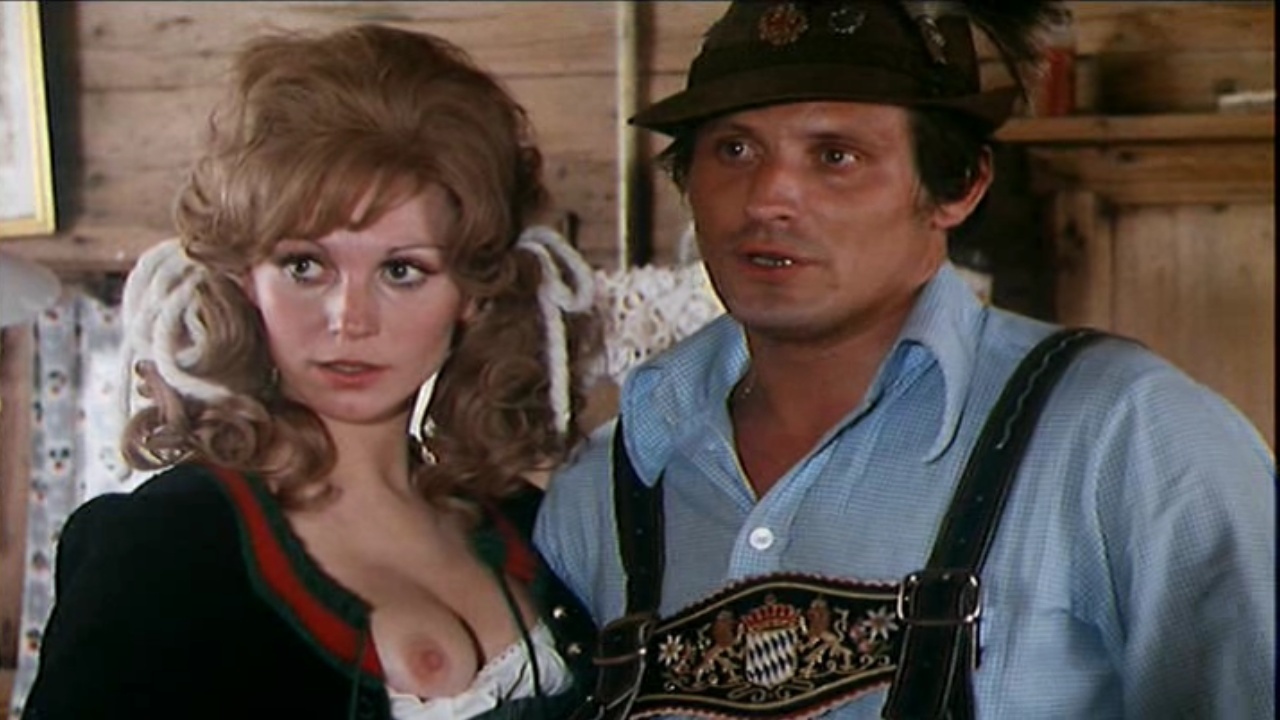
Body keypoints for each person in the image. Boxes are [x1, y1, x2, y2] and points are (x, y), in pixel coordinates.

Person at [535, 2, 1275, 719]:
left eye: (835, 156)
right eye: (735, 150)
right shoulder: (606, 487)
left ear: (959, 188)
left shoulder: (1126, 437)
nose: (768, 198)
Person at [23, 24, 601, 720]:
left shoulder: (531, 525)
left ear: (473, 295)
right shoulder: (168, 544)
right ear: (246, 279)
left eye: (401, 271)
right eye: (306, 266)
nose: (349, 319)